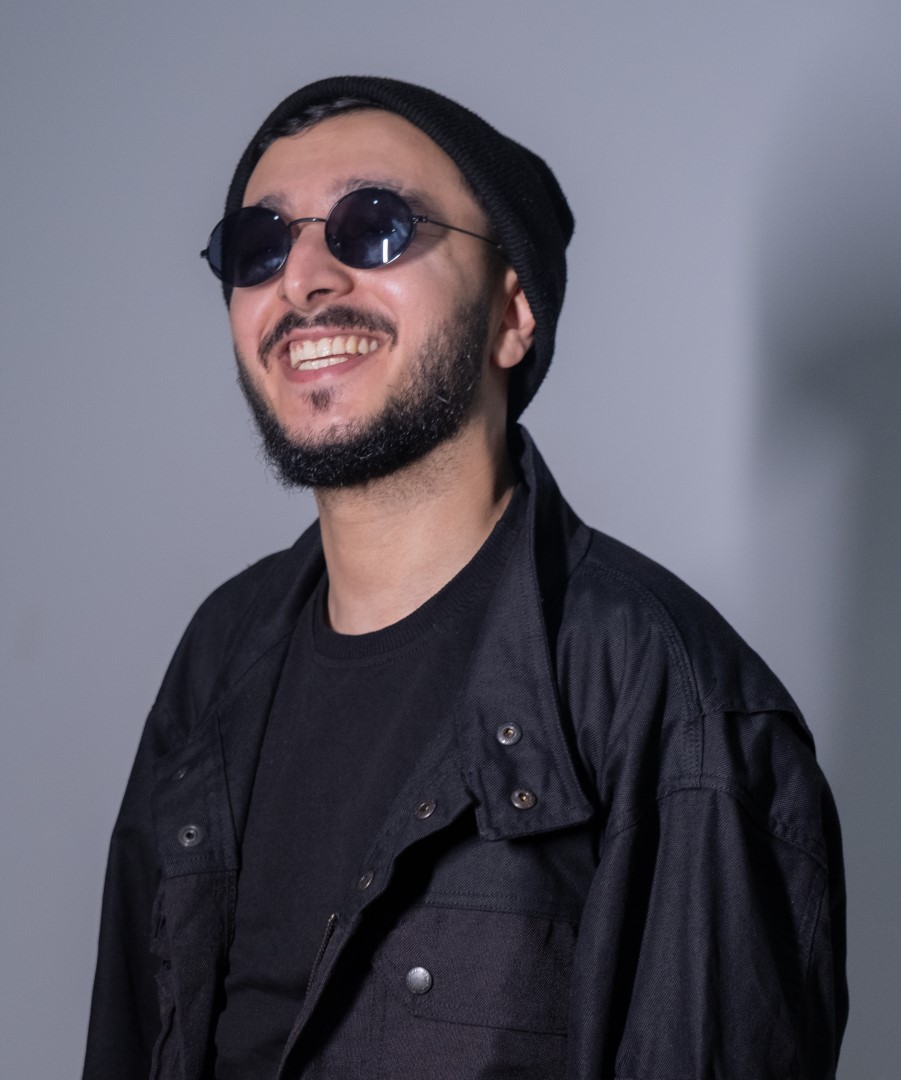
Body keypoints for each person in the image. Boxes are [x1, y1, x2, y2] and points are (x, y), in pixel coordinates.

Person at [83, 76, 847, 1080]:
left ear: (512, 313)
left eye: (374, 225)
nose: (301, 280)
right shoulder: (220, 654)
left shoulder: (672, 701)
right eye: (257, 245)